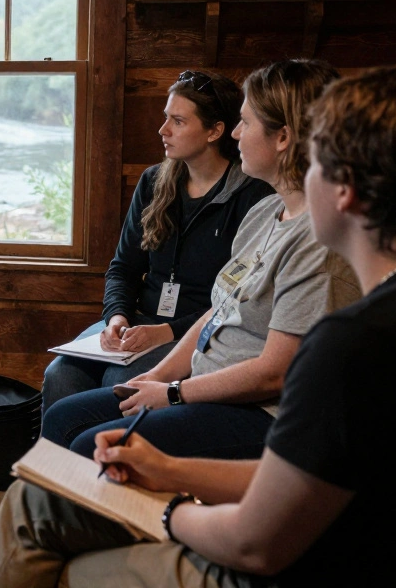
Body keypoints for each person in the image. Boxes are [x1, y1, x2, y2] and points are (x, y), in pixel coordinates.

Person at [0, 64, 396, 588]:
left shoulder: (353, 342)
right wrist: (168, 466)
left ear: (345, 192)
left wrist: (164, 506)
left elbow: (256, 541)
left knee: (53, 534)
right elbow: (309, 474)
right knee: (52, 482)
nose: (304, 171)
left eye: (318, 161)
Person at [41, 59, 360, 460]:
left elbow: (276, 373)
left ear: (283, 137)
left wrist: (172, 392)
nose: (237, 133)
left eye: (245, 123)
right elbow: (218, 310)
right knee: (64, 417)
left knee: (91, 444)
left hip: (261, 412)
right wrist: (156, 376)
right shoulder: (267, 212)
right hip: (202, 380)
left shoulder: (319, 240)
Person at [43, 69, 272, 411]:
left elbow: (238, 301)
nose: (163, 130)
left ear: (214, 131)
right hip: (138, 322)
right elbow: (123, 268)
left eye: (178, 121)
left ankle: (112, 448)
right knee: (60, 375)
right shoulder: (153, 182)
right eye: (166, 117)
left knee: (118, 382)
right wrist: (117, 318)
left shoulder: (252, 195)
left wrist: (168, 331)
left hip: (197, 331)